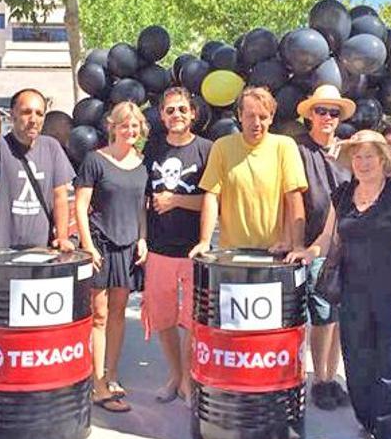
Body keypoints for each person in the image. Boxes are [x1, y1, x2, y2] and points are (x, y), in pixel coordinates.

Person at [287, 130, 391, 439]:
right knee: (360, 365)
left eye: (370, 156)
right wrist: (307, 252)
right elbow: (327, 237)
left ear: (383, 158)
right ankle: (371, 421)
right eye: (358, 157)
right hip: (354, 294)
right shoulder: (344, 195)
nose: (363, 163)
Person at [74, 101, 149, 413]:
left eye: (134, 126)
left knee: (119, 312)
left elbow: (142, 206)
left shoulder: (144, 162)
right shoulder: (95, 160)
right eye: (123, 125)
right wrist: (89, 246)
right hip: (101, 244)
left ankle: (111, 375)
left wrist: (143, 239)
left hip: (128, 246)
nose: (129, 130)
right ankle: (96, 385)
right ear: (112, 127)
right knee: (99, 314)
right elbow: (80, 206)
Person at [141, 87, 212, 404]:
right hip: (158, 249)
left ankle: (187, 378)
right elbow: (139, 197)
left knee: (194, 320)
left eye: (182, 109)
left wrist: (177, 200)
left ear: (193, 113)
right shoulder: (152, 148)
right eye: (170, 110)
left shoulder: (206, 150)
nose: (176, 115)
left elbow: (214, 201)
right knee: (163, 318)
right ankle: (175, 375)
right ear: (161, 115)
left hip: (194, 250)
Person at [189, 86, 308, 256]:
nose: (256, 123)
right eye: (250, 116)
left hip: (274, 252)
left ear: (272, 118)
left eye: (263, 117)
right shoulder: (222, 147)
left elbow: (294, 197)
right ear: (239, 116)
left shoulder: (285, 146)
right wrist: (204, 241)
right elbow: (212, 196)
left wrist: (296, 245)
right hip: (231, 253)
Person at [293, 84, 355, 411]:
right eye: (321, 111)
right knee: (320, 315)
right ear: (310, 116)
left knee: (336, 316)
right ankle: (320, 379)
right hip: (312, 245)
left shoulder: (350, 152)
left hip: (348, 244)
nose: (327, 117)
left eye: (334, 112)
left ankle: (330, 375)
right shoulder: (297, 151)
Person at [0, 88, 75, 266]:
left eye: (39, 114)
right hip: (1, 252)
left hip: (41, 251)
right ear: (12, 115)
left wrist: (62, 237)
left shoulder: (52, 147)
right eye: (26, 112)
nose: (33, 120)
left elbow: (60, 197)